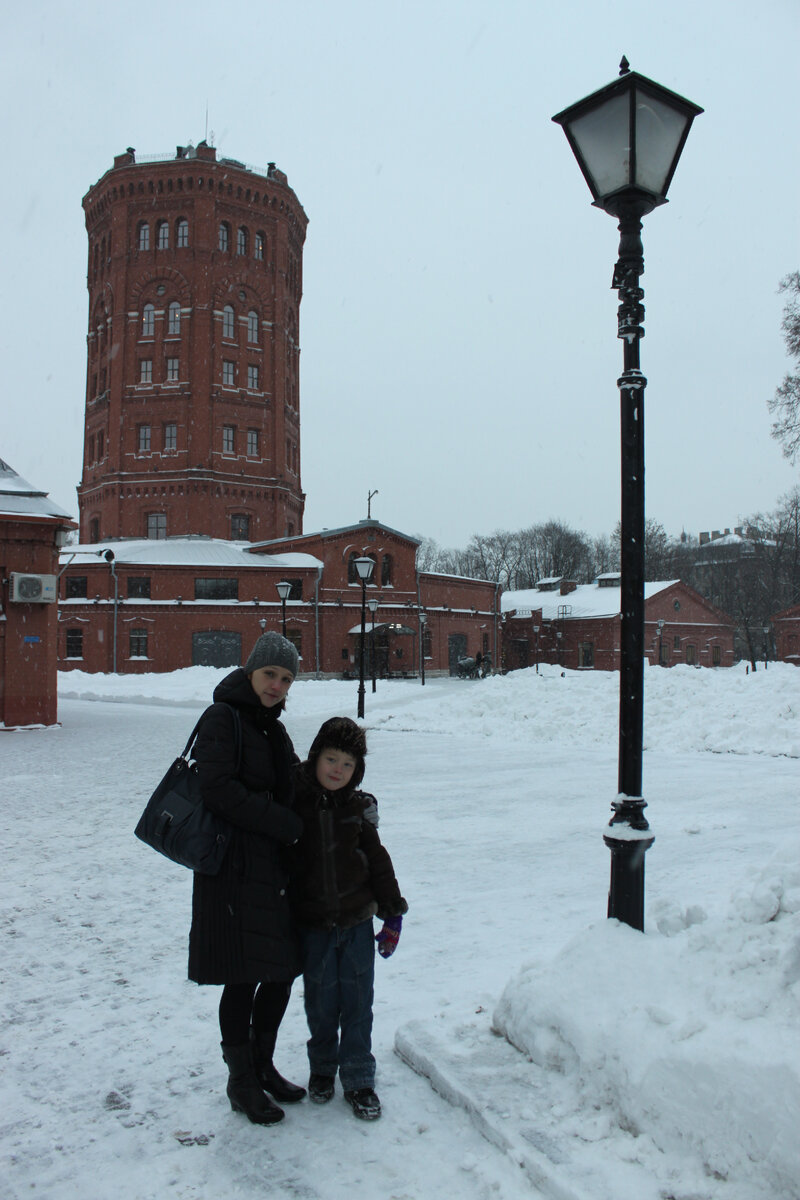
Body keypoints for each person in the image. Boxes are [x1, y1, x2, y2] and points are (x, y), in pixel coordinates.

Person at [188, 631, 306, 1126]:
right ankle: (240, 1081)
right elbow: (216, 789)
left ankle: (262, 1064)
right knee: (242, 976)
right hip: (233, 871)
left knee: (281, 968)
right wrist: (283, 823)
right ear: (251, 671)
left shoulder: (271, 728)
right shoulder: (224, 717)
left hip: (271, 871)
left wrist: (342, 799)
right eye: (270, 674)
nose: (277, 685)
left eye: (286, 678)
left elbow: (295, 783)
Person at [292, 717, 407, 1121]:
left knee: (358, 1003)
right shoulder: (297, 805)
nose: (337, 769)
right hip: (315, 926)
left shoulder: (359, 811)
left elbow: (379, 864)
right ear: (316, 758)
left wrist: (392, 914)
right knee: (321, 1003)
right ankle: (323, 1068)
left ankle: (358, 1075)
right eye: (331, 759)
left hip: (357, 924)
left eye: (347, 763)